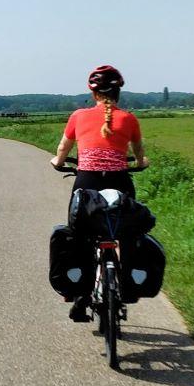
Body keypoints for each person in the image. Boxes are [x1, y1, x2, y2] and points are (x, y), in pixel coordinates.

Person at [50, 65, 148, 321]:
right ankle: (125, 284)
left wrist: (58, 162)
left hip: (87, 182)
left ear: (93, 94)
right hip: (120, 183)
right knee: (126, 232)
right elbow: (138, 152)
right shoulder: (129, 119)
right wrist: (141, 163)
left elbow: (63, 147)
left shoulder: (78, 116)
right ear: (118, 94)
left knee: (81, 234)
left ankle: (81, 296)